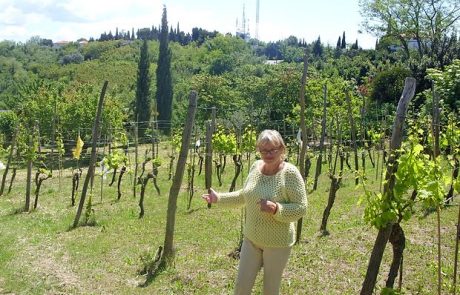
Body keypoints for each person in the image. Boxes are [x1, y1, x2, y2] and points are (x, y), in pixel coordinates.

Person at [202, 129, 307, 295]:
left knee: (270, 290)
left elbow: (301, 207)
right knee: (241, 288)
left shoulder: (290, 173)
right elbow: (245, 195)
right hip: (251, 239)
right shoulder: (255, 167)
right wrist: (219, 199)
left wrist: (276, 209)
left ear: (282, 149)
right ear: (258, 150)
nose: (269, 153)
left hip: (277, 242)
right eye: (264, 150)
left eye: (273, 149)